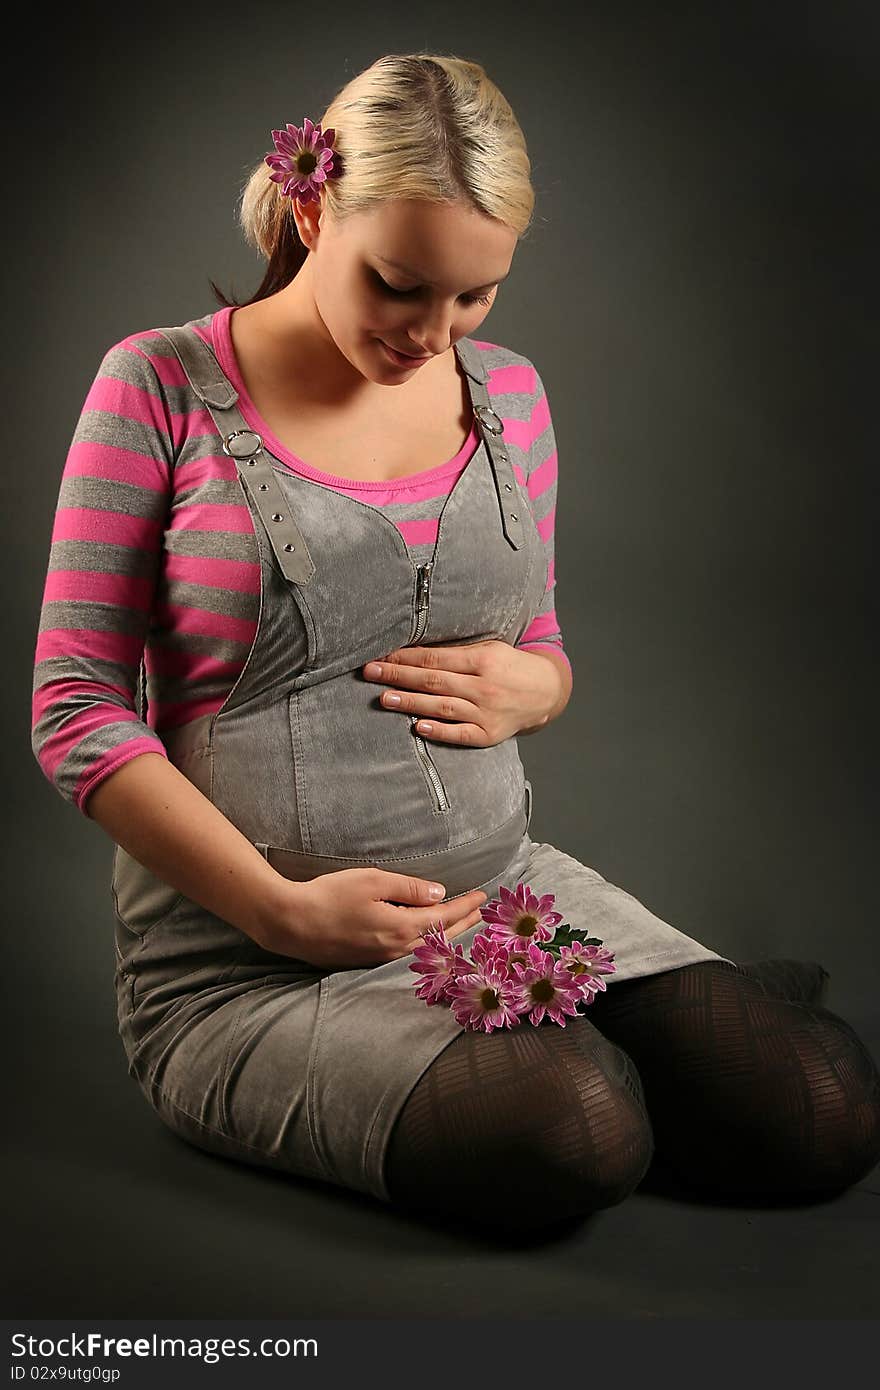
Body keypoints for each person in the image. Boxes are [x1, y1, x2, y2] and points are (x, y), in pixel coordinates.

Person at [31, 52, 880, 1236]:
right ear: (313, 204)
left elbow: (538, 639)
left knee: (823, 1107)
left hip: (502, 901)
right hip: (249, 964)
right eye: (400, 285)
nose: (435, 334)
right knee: (576, 1129)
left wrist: (539, 686)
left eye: (474, 297)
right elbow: (74, 706)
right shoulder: (157, 387)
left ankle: (640, 1017)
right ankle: (606, 1044)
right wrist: (279, 909)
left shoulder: (513, 397)